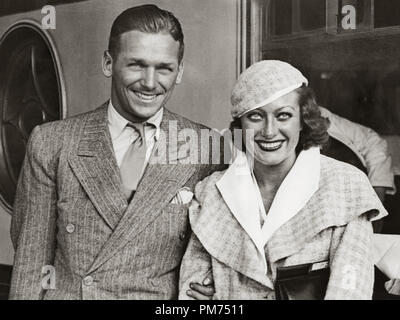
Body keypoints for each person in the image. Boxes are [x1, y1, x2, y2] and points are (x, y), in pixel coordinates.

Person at [9, 5, 223, 299]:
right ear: (109, 63)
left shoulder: (205, 148)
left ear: (180, 72)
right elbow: (31, 264)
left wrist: (213, 289)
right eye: (136, 64)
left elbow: (218, 254)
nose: (150, 82)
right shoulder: (52, 142)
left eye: (164, 68)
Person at [179, 60, 388, 300]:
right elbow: (190, 292)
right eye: (255, 116)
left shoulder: (346, 186)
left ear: (303, 121)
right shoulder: (211, 193)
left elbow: (351, 293)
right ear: (239, 124)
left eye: (283, 115)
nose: (269, 131)